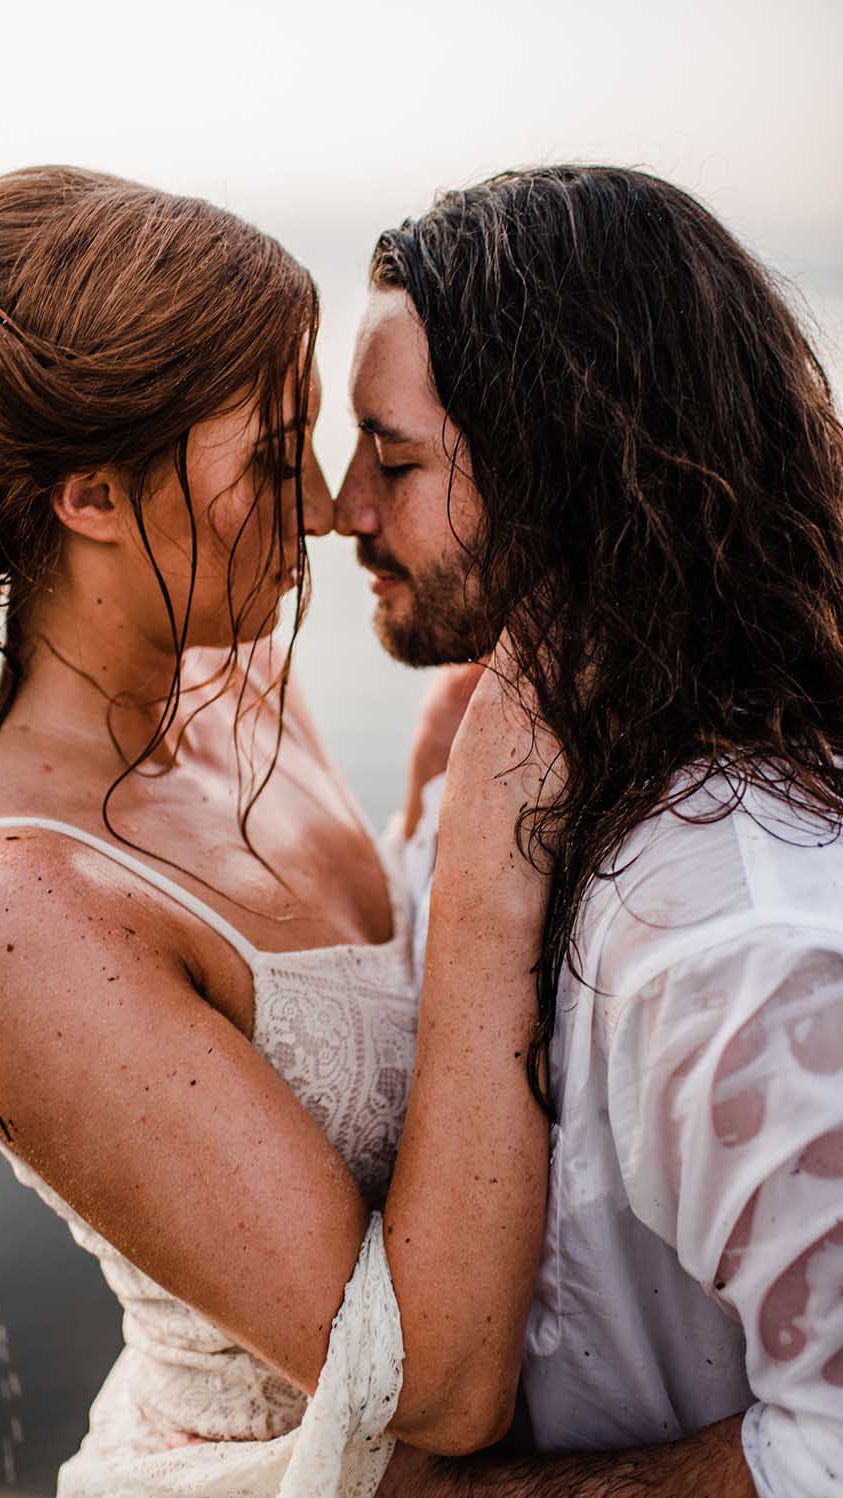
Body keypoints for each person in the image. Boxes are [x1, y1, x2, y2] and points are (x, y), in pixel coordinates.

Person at [0, 165, 553, 1497]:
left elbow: (375, 1013)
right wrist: (494, 865)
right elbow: (441, 1391)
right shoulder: (11, 909)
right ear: (90, 496)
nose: (327, 506)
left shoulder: (243, 679)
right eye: (276, 457)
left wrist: (425, 815)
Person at [335, 165, 843, 1497]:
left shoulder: (735, 939)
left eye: (392, 459)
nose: (342, 507)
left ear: (563, 478)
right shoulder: (519, 763)